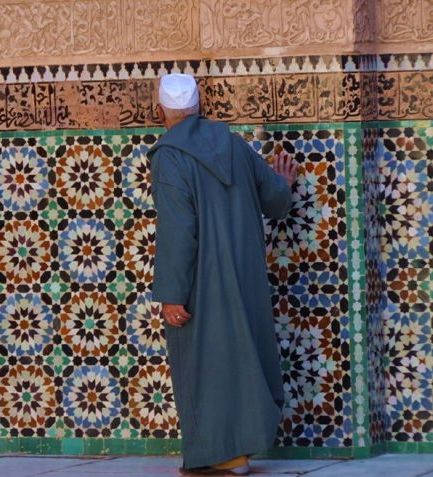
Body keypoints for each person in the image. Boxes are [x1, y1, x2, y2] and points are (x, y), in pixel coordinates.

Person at [148, 73, 297, 476]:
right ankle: (239, 453)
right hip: (245, 275)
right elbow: (275, 201)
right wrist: (284, 183)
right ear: (198, 106)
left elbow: (178, 229)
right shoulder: (233, 144)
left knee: (203, 363)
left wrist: (172, 292)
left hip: (202, 281)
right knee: (239, 357)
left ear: (160, 108)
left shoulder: (168, 155)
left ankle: (224, 456)